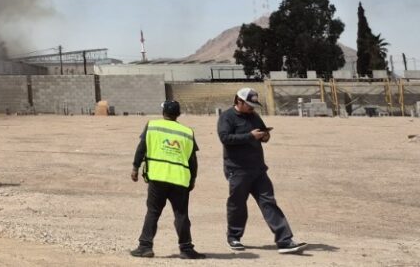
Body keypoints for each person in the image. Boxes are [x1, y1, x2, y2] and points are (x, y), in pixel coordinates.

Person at [218, 88, 307, 254]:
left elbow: (262, 132)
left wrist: (265, 136)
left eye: (254, 105)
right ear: (239, 101)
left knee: (269, 202)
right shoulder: (227, 117)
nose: (252, 108)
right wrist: (250, 136)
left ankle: (285, 240)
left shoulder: (253, 116)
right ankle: (234, 237)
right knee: (237, 205)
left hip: (258, 169)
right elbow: (225, 138)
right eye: (249, 104)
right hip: (237, 170)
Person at [130, 101, 204, 259]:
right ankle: (186, 249)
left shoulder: (152, 125)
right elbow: (193, 160)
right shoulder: (187, 132)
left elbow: (141, 148)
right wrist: (193, 179)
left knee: (153, 212)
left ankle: (145, 247)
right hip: (180, 180)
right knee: (181, 214)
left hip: (158, 177)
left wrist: (135, 167)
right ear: (178, 114)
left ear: (163, 112)